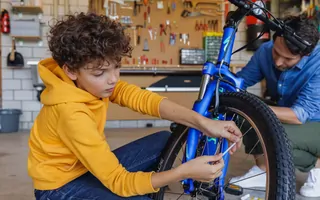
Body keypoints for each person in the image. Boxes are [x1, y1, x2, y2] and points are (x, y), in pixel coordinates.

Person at [27, 13, 242, 200]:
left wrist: (205, 123)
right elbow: (119, 181)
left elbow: (144, 100)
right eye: (99, 73)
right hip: (58, 188)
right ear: (71, 71)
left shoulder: (90, 84)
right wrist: (182, 173)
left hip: (85, 169)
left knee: (164, 141)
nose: (113, 79)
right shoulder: (70, 112)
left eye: (116, 67)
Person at [231, 14, 320, 197]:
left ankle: (318, 169)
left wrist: (254, 109)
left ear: (305, 55)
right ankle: (264, 170)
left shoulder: (318, 62)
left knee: (271, 132)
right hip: (293, 117)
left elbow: (299, 114)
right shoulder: (265, 51)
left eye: (287, 59)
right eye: (276, 53)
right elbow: (240, 83)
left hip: (314, 121)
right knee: (241, 111)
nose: (278, 62)